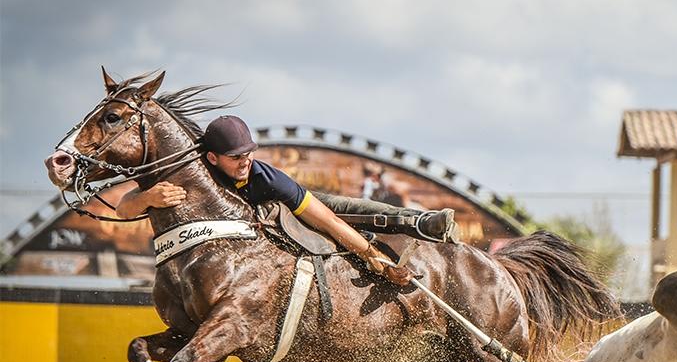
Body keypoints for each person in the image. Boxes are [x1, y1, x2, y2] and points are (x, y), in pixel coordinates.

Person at [116, 115, 458, 286]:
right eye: (235, 157)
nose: (245, 161)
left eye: (248, 153)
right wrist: (147, 197)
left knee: (347, 209)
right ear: (211, 159)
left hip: (281, 204)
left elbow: (330, 222)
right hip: (255, 239)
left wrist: (372, 257)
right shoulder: (195, 177)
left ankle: (418, 221)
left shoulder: (265, 176)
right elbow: (121, 208)